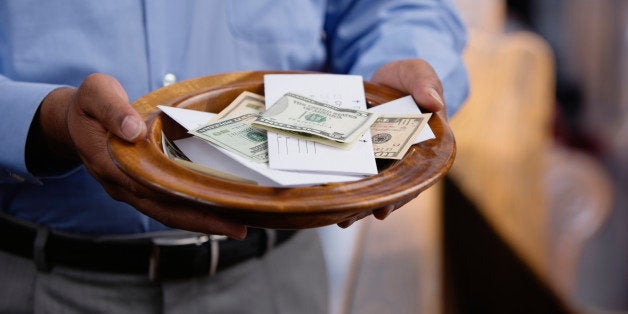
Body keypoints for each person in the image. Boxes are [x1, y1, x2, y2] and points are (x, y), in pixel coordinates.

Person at [0, 1, 469, 313]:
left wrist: (398, 77)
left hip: (276, 282)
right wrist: (44, 122)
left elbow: (400, 10)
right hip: (40, 283)